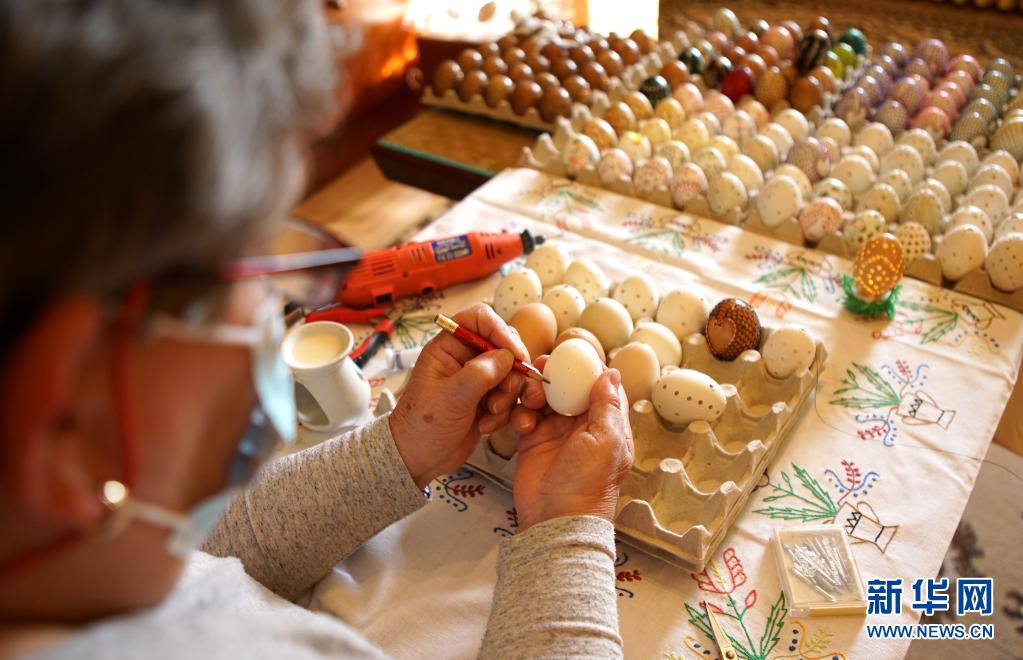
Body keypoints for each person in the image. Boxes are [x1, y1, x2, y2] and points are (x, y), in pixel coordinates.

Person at [0, 1, 634, 658]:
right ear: (63, 413)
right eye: (263, 276)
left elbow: (210, 554)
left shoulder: (75, 560)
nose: (273, 313)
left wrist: (399, 451)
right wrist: (568, 526)